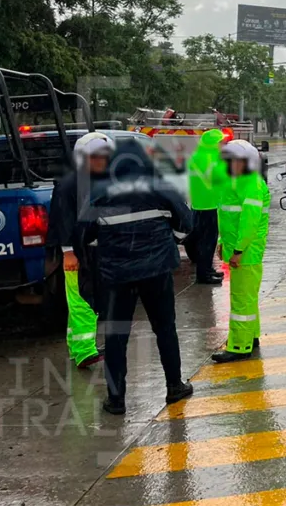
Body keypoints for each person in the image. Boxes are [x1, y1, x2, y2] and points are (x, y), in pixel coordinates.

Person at [76, 139, 195, 415]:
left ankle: (116, 399)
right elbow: (187, 223)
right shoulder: (160, 186)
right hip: (157, 271)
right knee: (165, 329)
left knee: (116, 336)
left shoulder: (100, 192)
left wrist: (108, 248)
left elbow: (84, 235)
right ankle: (174, 386)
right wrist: (170, 241)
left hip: (116, 275)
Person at [45, 132, 113, 369]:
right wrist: (68, 252)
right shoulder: (71, 182)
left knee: (79, 297)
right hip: (76, 252)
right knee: (82, 298)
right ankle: (85, 351)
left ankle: (78, 347)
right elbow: (62, 218)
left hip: (89, 250)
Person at [213, 139, 270, 363]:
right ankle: (251, 337)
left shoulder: (251, 184)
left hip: (246, 252)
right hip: (241, 250)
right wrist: (222, 242)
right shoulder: (239, 182)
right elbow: (228, 217)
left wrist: (237, 250)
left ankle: (238, 346)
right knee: (247, 298)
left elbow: (249, 223)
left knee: (241, 301)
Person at [184, 129, 228, 285]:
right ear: (213, 143)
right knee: (208, 243)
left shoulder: (196, 156)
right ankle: (204, 275)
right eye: (221, 142)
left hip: (198, 204)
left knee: (201, 240)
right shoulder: (212, 158)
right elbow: (222, 178)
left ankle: (207, 270)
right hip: (210, 205)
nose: (223, 145)